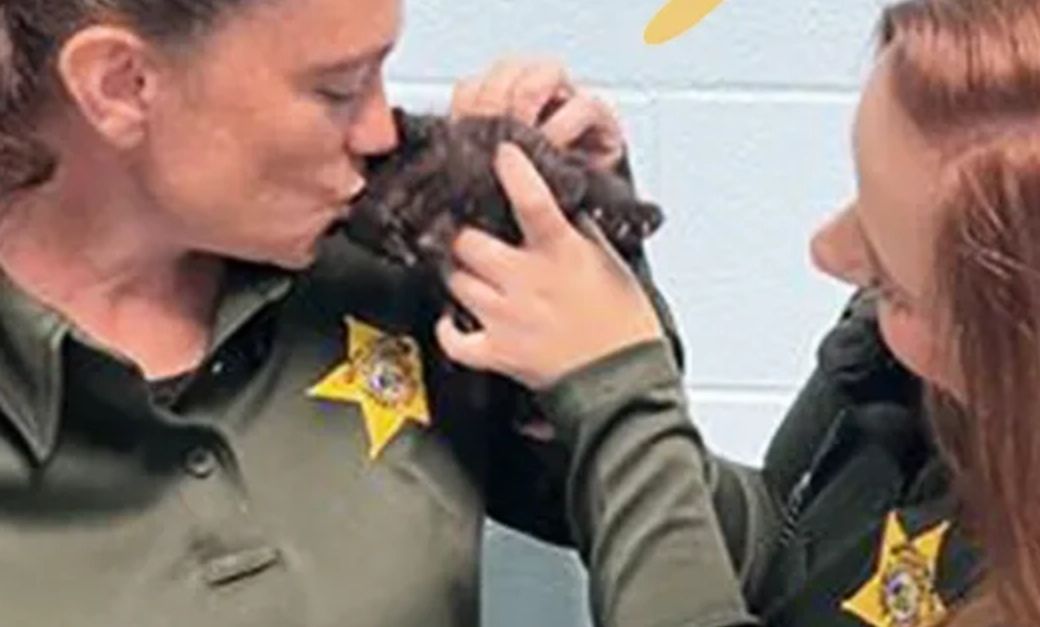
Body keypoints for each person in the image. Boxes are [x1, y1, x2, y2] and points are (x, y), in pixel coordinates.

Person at [437, 0, 1040, 625]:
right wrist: (593, 241)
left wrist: (620, 394)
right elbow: (790, 545)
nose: (826, 250)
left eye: (895, 280)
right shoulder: (929, 388)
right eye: (859, 201)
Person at [0, 0, 755, 625]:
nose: (381, 131)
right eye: (337, 89)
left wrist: (580, 241)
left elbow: (710, 539)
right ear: (120, 84)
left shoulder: (386, 259)